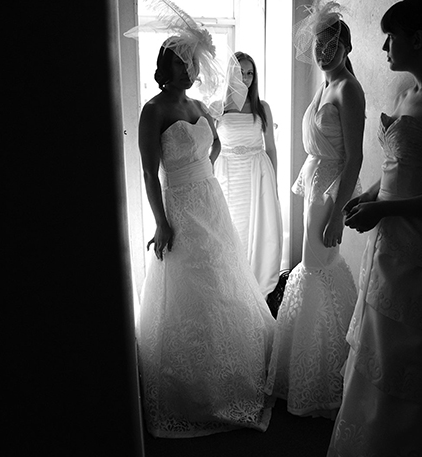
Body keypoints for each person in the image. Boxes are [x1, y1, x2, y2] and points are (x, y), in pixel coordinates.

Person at [327, 0, 422, 455]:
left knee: (405, 358)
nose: (385, 45)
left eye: (392, 36)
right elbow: (398, 166)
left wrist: (385, 211)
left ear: (418, 38)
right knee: (376, 354)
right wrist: (370, 195)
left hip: (415, 250)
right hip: (387, 248)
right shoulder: (406, 94)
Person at [125, 3, 276, 438]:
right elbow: (150, 176)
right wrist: (161, 221)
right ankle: (195, 388)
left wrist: (204, 167)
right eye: (181, 62)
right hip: (181, 208)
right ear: (166, 65)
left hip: (211, 201)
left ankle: (232, 374)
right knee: (193, 290)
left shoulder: (196, 105)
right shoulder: (153, 110)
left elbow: (212, 150)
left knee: (224, 282)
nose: (189, 69)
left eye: (192, 63)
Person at [265, 1, 364, 419]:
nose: (323, 50)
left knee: (320, 270)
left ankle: (328, 379)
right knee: (314, 273)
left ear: (345, 46)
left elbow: (355, 158)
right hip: (315, 189)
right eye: (319, 43)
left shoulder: (348, 89)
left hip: (330, 195)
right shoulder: (324, 85)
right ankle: (309, 371)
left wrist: (339, 213)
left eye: (332, 43)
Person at [214, 52, 283, 299]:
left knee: (260, 231)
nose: (245, 77)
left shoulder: (262, 107)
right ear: (230, 74)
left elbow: (271, 148)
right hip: (229, 174)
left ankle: (257, 292)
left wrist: (274, 185)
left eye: (249, 73)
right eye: (240, 72)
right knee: (234, 231)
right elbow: (210, 149)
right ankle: (232, 292)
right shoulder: (218, 109)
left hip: (257, 175)